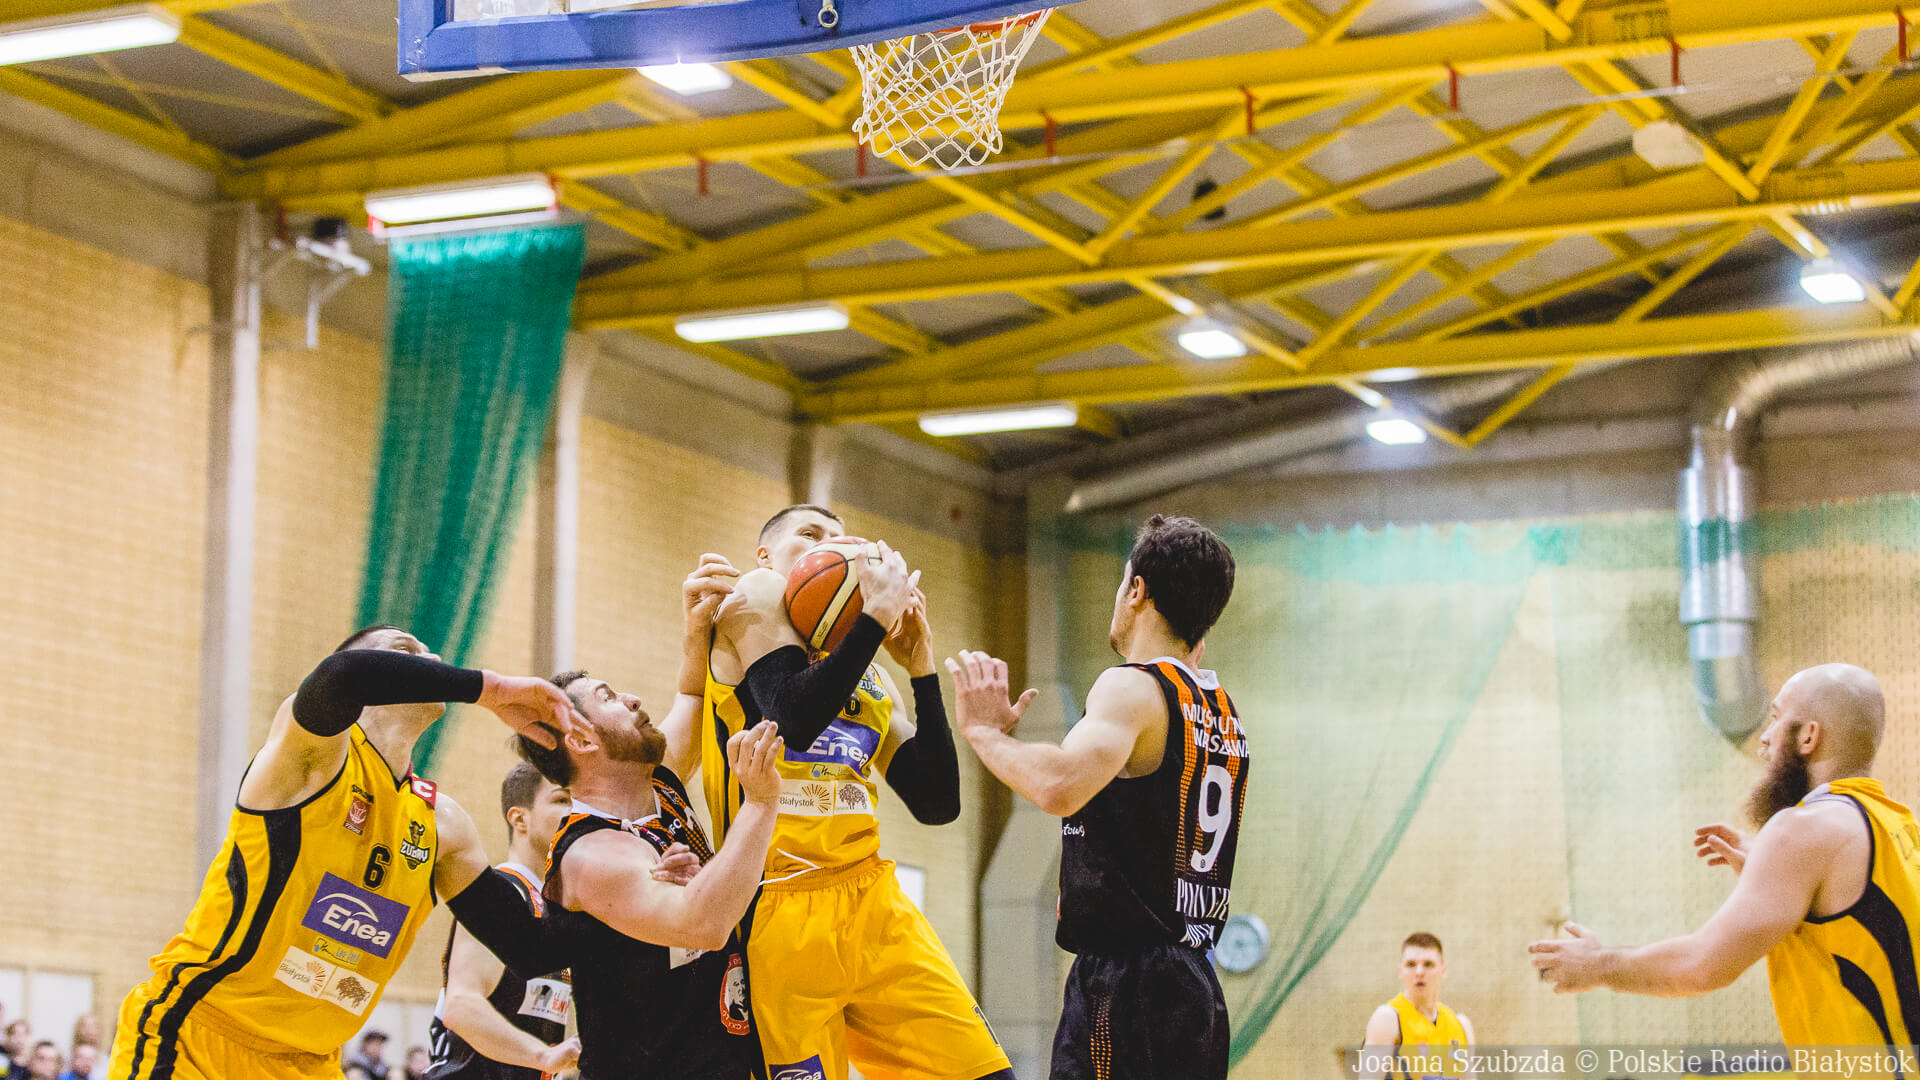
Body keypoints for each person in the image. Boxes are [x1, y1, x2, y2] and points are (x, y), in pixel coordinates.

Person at [109, 625, 579, 1080]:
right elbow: (340, 676)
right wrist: (491, 689)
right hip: (198, 1037)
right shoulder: (310, 756)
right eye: (406, 651)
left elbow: (529, 946)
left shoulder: (445, 825)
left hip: (310, 1063)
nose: (433, 661)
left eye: (429, 655)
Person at [700, 505, 1012, 1080]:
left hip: (871, 897)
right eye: (810, 535)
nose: (833, 547)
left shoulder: (867, 671)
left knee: (985, 1073)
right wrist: (875, 618)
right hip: (778, 903)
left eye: (843, 539)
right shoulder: (754, 598)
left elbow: (937, 803)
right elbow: (794, 717)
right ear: (766, 556)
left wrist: (921, 668)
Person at [952, 514, 1246, 1080]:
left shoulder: (1130, 685)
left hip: (1130, 983)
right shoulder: (1218, 708)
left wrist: (984, 734)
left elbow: (1059, 785)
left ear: (1137, 590)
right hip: (1194, 984)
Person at [1532, 664, 1917, 1051]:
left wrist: (1598, 965)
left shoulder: (1804, 828)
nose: (1764, 737)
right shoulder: (1898, 824)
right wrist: (1775, 874)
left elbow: (1700, 965)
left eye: (1776, 718)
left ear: (1808, 736)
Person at [516, 659, 786, 1080]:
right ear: (581, 740)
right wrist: (761, 803)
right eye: (608, 697)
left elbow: (693, 693)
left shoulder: (658, 783)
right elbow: (704, 924)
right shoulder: (589, 852)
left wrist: (699, 630)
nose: (632, 699)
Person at [424, 763, 582, 1079]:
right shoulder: (501, 893)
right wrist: (544, 1057)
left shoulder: (558, 907)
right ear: (519, 818)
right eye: (562, 800)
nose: (575, 812)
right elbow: (463, 1006)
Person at [1359, 933, 1475, 1080]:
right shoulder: (1388, 1018)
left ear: (1443, 971)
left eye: (1428, 964)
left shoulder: (1461, 1025)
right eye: (1411, 965)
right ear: (1401, 971)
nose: (1419, 972)